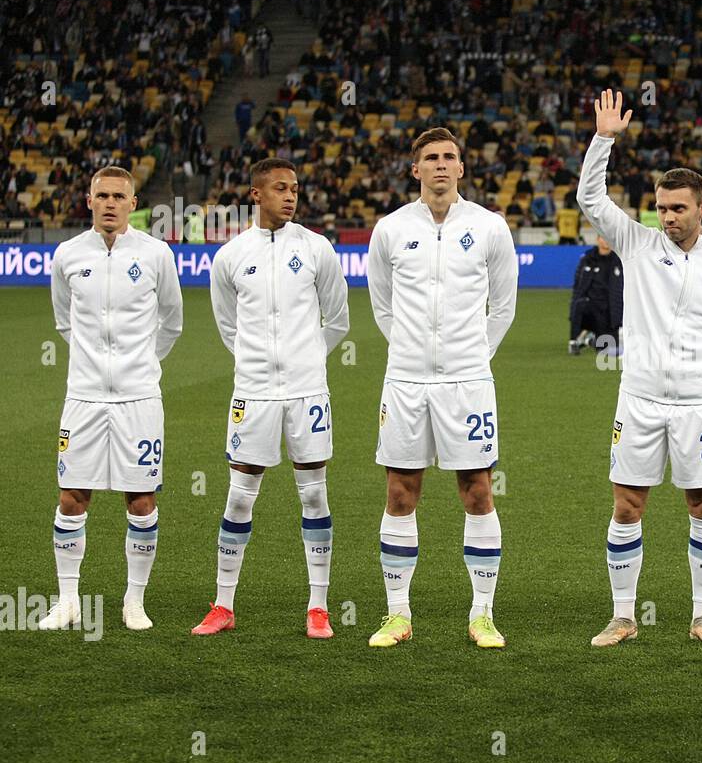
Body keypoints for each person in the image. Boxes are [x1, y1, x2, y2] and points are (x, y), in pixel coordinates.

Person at [578, 89, 702, 648]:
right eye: (662, 206)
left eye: (679, 207)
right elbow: (590, 197)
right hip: (639, 399)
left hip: (698, 403)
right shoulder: (637, 243)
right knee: (627, 503)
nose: (668, 216)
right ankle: (623, 615)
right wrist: (604, 138)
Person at [366, 127, 519, 650]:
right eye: (429, 157)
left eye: (448, 157)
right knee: (399, 492)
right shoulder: (389, 229)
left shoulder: (489, 227)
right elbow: (382, 307)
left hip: (468, 382)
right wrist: (412, 352)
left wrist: (472, 356)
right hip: (406, 381)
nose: (439, 165)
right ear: (415, 169)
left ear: (461, 168)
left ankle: (482, 615)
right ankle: (397, 615)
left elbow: (504, 307)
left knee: (477, 491)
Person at [191, 159, 349, 640]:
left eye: (295, 189)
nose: (291, 196)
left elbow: (337, 319)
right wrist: (259, 365)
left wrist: (304, 363)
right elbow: (228, 326)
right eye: (280, 188)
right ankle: (223, 604)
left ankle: (317, 607)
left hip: (307, 392)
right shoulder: (231, 256)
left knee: (315, 493)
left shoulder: (317, 248)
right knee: (239, 497)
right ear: (255, 195)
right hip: (253, 393)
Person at [40, 167, 183, 632]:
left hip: (139, 398)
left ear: (133, 203)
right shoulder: (67, 254)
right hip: (82, 396)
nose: (109, 203)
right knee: (71, 498)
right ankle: (67, 601)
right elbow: (64, 320)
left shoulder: (156, 254)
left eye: (118, 196)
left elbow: (172, 321)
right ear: (88, 200)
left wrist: (138, 365)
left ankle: (134, 602)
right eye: (101, 195)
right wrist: (94, 367)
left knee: (141, 500)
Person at [568, 235, 622, 355]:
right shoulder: (588, 259)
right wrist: (573, 308)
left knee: (611, 350)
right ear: (598, 239)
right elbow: (578, 285)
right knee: (579, 305)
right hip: (591, 306)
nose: (606, 241)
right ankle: (574, 341)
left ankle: (590, 339)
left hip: (609, 309)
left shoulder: (619, 260)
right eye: (603, 238)